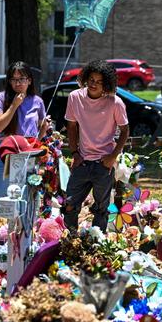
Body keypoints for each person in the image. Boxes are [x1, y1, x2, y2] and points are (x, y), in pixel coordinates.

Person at [0, 61, 50, 252]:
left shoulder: (37, 101)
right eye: (15, 79)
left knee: (27, 198)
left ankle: (23, 245)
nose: (19, 83)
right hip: (6, 152)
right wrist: (14, 105)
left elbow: (36, 136)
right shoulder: (1, 98)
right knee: (2, 199)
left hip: (29, 154)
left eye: (23, 79)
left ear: (30, 80)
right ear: (9, 81)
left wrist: (43, 130)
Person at [63, 60, 129, 231]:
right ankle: (70, 240)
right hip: (82, 161)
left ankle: (96, 242)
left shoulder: (115, 103)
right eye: (91, 79)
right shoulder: (75, 97)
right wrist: (75, 153)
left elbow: (125, 131)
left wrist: (112, 157)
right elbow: (71, 126)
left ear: (106, 84)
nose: (94, 84)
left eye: (99, 82)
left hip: (104, 163)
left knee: (101, 208)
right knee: (69, 204)